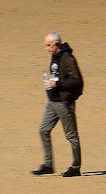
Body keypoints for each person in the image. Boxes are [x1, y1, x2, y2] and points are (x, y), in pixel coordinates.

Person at [32, 32, 84, 178]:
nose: (46, 48)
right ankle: (48, 165)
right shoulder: (55, 56)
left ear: (57, 44)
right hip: (52, 101)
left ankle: (75, 167)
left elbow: (77, 81)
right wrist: (50, 84)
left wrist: (57, 84)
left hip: (64, 103)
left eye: (49, 45)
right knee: (43, 130)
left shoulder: (68, 58)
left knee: (71, 135)